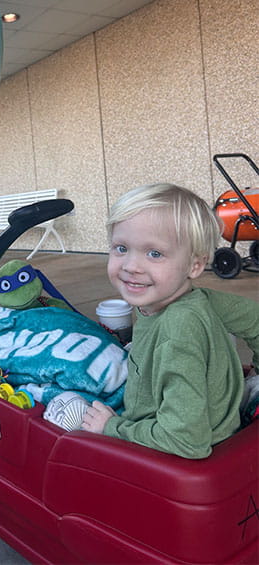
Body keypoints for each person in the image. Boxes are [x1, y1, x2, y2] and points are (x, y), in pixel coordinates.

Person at [81, 183, 259, 458]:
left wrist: (112, 428)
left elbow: (187, 440)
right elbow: (255, 320)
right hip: (206, 419)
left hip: (171, 448)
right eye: (121, 248)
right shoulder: (197, 299)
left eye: (154, 253)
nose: (131, 266)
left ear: (194, 266)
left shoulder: (178, 330)